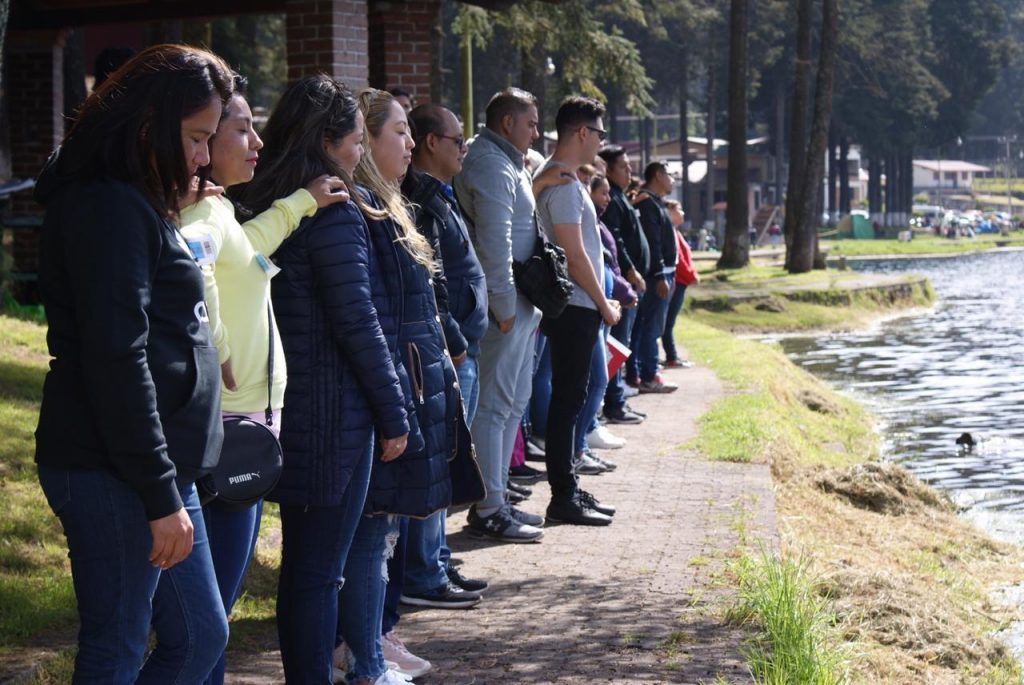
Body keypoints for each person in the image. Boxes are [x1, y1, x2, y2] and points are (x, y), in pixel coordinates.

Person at [33, 44, 233, 682]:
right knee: (117, 647)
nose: (205, 156)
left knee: (201, 636)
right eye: (198, 138)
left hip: (156, 472)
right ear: (149, 123)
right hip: (115, 471)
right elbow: (116, 357)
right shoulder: (106, 204)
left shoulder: (138, 196)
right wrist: (156, 493)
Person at [232, 75, 413, 683]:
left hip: (286, 404)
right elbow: (358, 322)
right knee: (318, 571)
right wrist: (394, 413)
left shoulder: (265, 198)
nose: (363, 153)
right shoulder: (333, 209)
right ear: (331, 142)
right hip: (332, 412)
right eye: (359, 141)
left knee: (305, 568)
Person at [179, 73, 349, 685]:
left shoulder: (220, 207)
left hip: (249, 422)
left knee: (210, 617)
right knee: (207, 622)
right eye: (241, 128)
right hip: (230, 424)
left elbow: (245, 252)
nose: (256, 140)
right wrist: (218, 348)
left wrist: (303, 201)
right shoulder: (200, 210)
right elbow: (195, 267)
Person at [336, 87, 459, 685]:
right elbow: (373, 322)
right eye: (399, 132)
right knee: (372, 534)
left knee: (382, 535)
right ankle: (365, 655)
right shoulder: (361, 211)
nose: (411, 143)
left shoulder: (390, 204)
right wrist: (397, 406)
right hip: (391, 398)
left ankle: (373, 642)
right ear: (365, 143)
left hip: (408, 389)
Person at [397, 103, 490, 607]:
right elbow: (430, 280)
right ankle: (422, 573)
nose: (463, 148)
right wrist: (453, 339)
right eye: (457, 140)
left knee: (446, 462)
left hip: (462, 347)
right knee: (437, 463)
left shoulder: (440, 196)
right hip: (450, 352)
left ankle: (433, 562)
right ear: (431, 142)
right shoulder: (420, 202)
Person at [453, 88, 546, 542]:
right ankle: (490, 506)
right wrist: (505, 307)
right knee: (493, 406)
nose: (536, 131)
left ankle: (497, 495)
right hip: (505, 307)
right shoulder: (491, 162)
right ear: (508, 122)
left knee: (511, 402)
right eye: (530, 123)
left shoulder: (508, 160)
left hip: (522, 305)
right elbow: (495, 241)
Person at [534, 96, 621, 526]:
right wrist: (604, 305)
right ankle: (562, 496)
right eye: (600, 133)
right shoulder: (565, 185)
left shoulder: (560, 179)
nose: (602, 142)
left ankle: (567, 488)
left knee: (572, 398)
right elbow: (574, 253)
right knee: (568, 402)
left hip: (577, 305)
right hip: (576, 306)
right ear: (582, 133)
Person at [597, 145, 648, 425]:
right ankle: (614, 402)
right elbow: (617, 241)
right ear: (608, 169)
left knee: (623, 343)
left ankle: (618, 398)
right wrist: (630, 271)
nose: (630, 171)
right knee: (617, 343)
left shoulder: (620, 197)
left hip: (626, 282)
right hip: (620, 283)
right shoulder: (613, 200)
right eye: (624, 167)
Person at [631, 161, 679, 394]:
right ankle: (648, 375)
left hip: (665, 273)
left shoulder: (655, 202)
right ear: (658, 175)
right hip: (656, 276)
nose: (673, 180)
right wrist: (660, 275)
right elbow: (654, 242)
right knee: (650, 327)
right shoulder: (647, 203)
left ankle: (646, 371)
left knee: (652, 326)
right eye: (670, 175)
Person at [661, 199, 699, 370]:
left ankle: (672, 355)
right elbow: (679, 261)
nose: (682, 213)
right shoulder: (671, 232)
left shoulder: (676, 232)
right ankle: (671, 357)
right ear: (670, 212)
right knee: (668, 322)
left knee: (669, 322)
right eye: (679, 210)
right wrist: (692, 276)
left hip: (681, 281)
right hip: (679, 281)